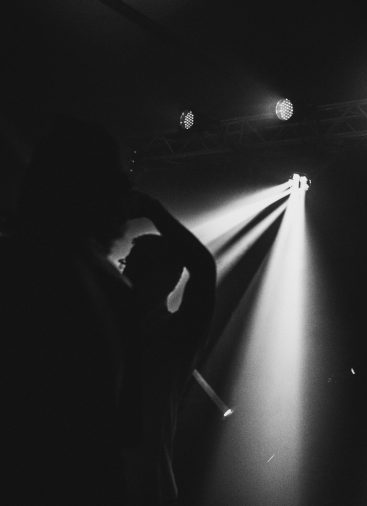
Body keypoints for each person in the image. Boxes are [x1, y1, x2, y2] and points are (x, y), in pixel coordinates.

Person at [3, 117, 135, 504]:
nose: (127, 191)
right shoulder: (106, 288)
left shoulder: (20, 264)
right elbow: (116, 432)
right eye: (119, 179)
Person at [120, 190, 217, 505]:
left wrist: (153, 210)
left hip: (146, 489)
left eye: (134, 266)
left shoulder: (176, 335)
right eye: (126, 264)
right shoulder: (110, 325)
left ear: (166, 277)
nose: (124, 272)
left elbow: (203, 268)